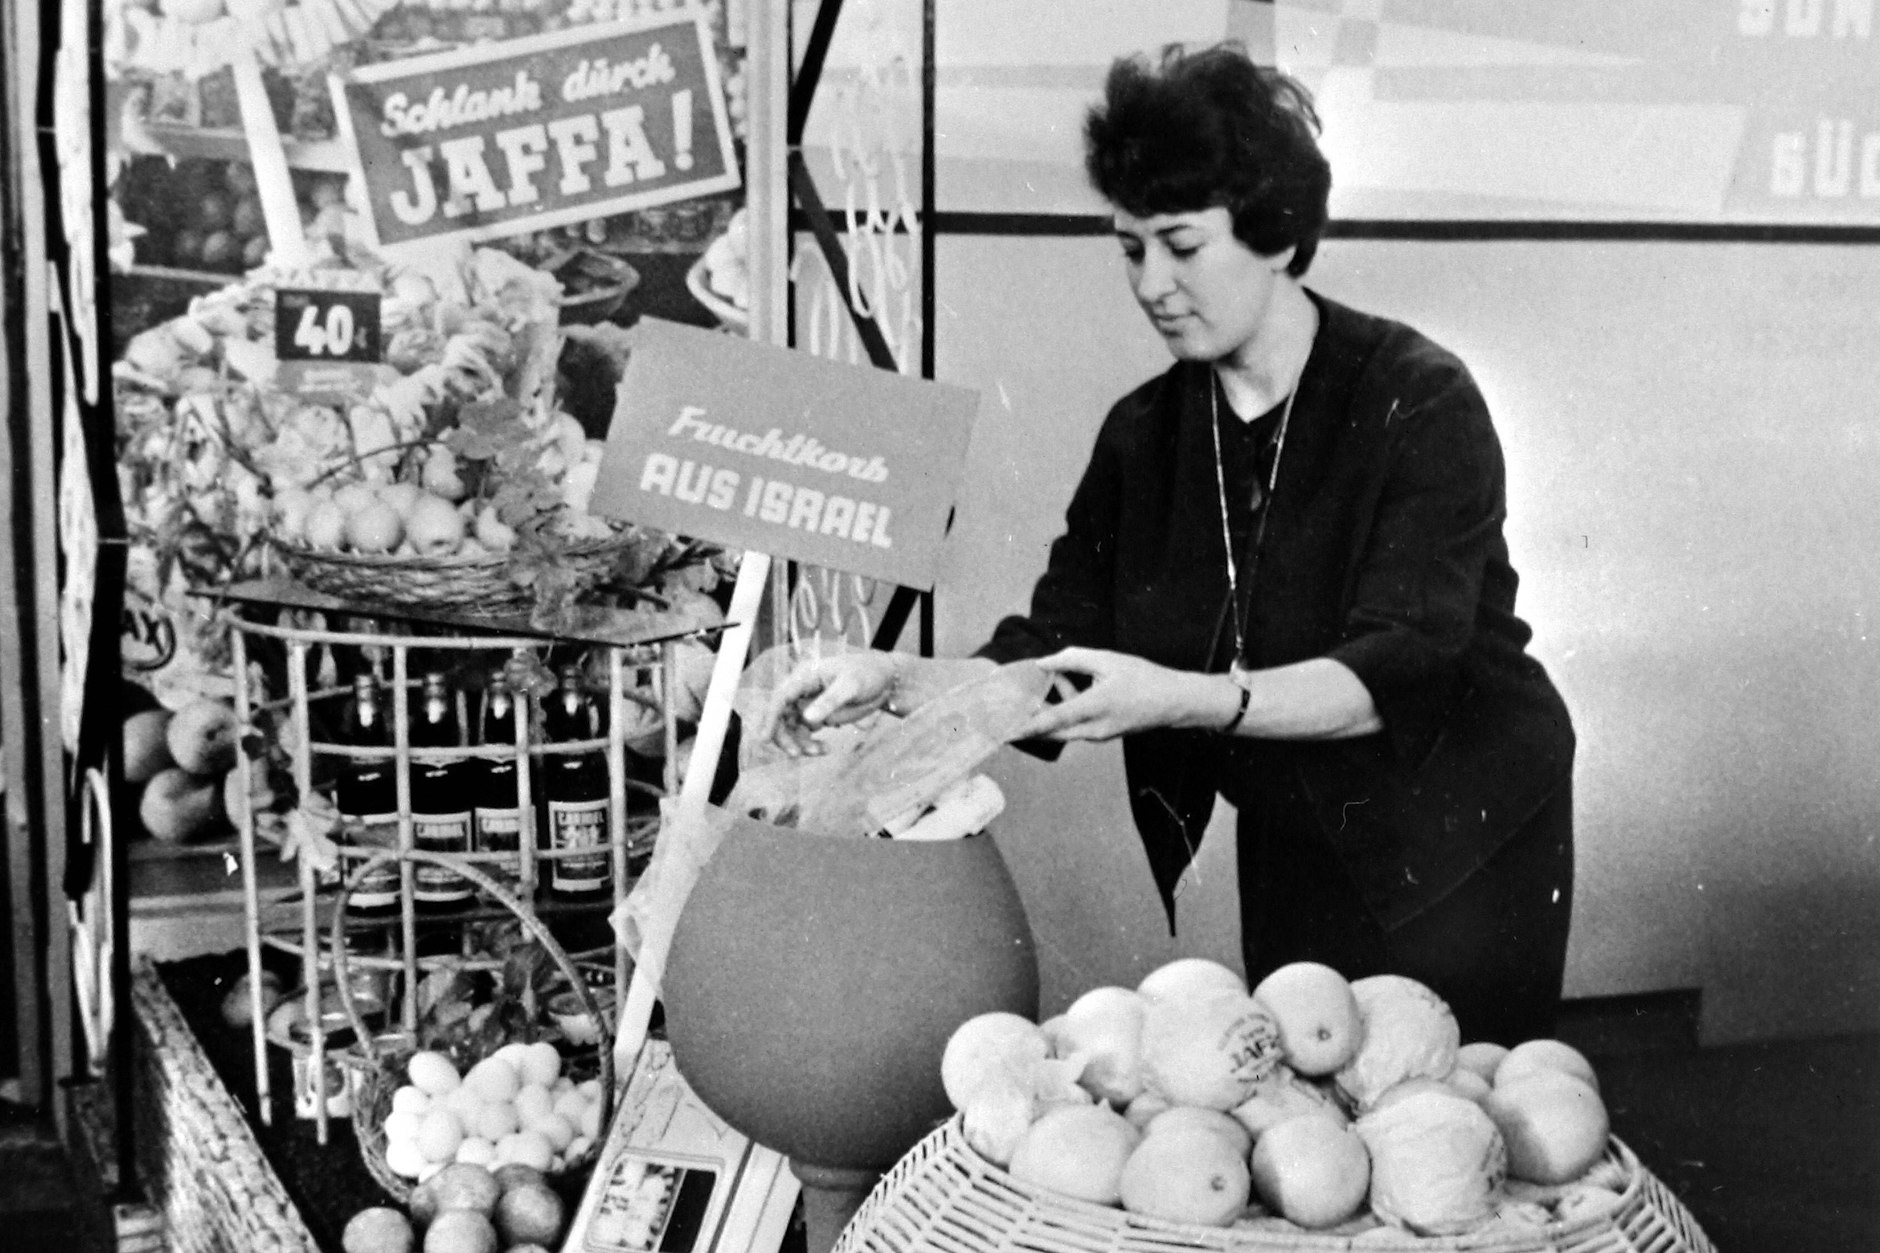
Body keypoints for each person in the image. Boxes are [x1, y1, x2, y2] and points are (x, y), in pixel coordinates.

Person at [759, 43, 1575, 1045]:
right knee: (1309, 1112)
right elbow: (1053, 647)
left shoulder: (1416, 396)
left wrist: (1175, 695)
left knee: (1452, 1113)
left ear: (1274, 235)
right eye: (1129, 248)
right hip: (1294, 826)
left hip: (1461, 835)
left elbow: (1396, 666)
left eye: (1181, 246)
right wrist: (895, 678)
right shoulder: (1143, 434)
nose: (1151, 282)